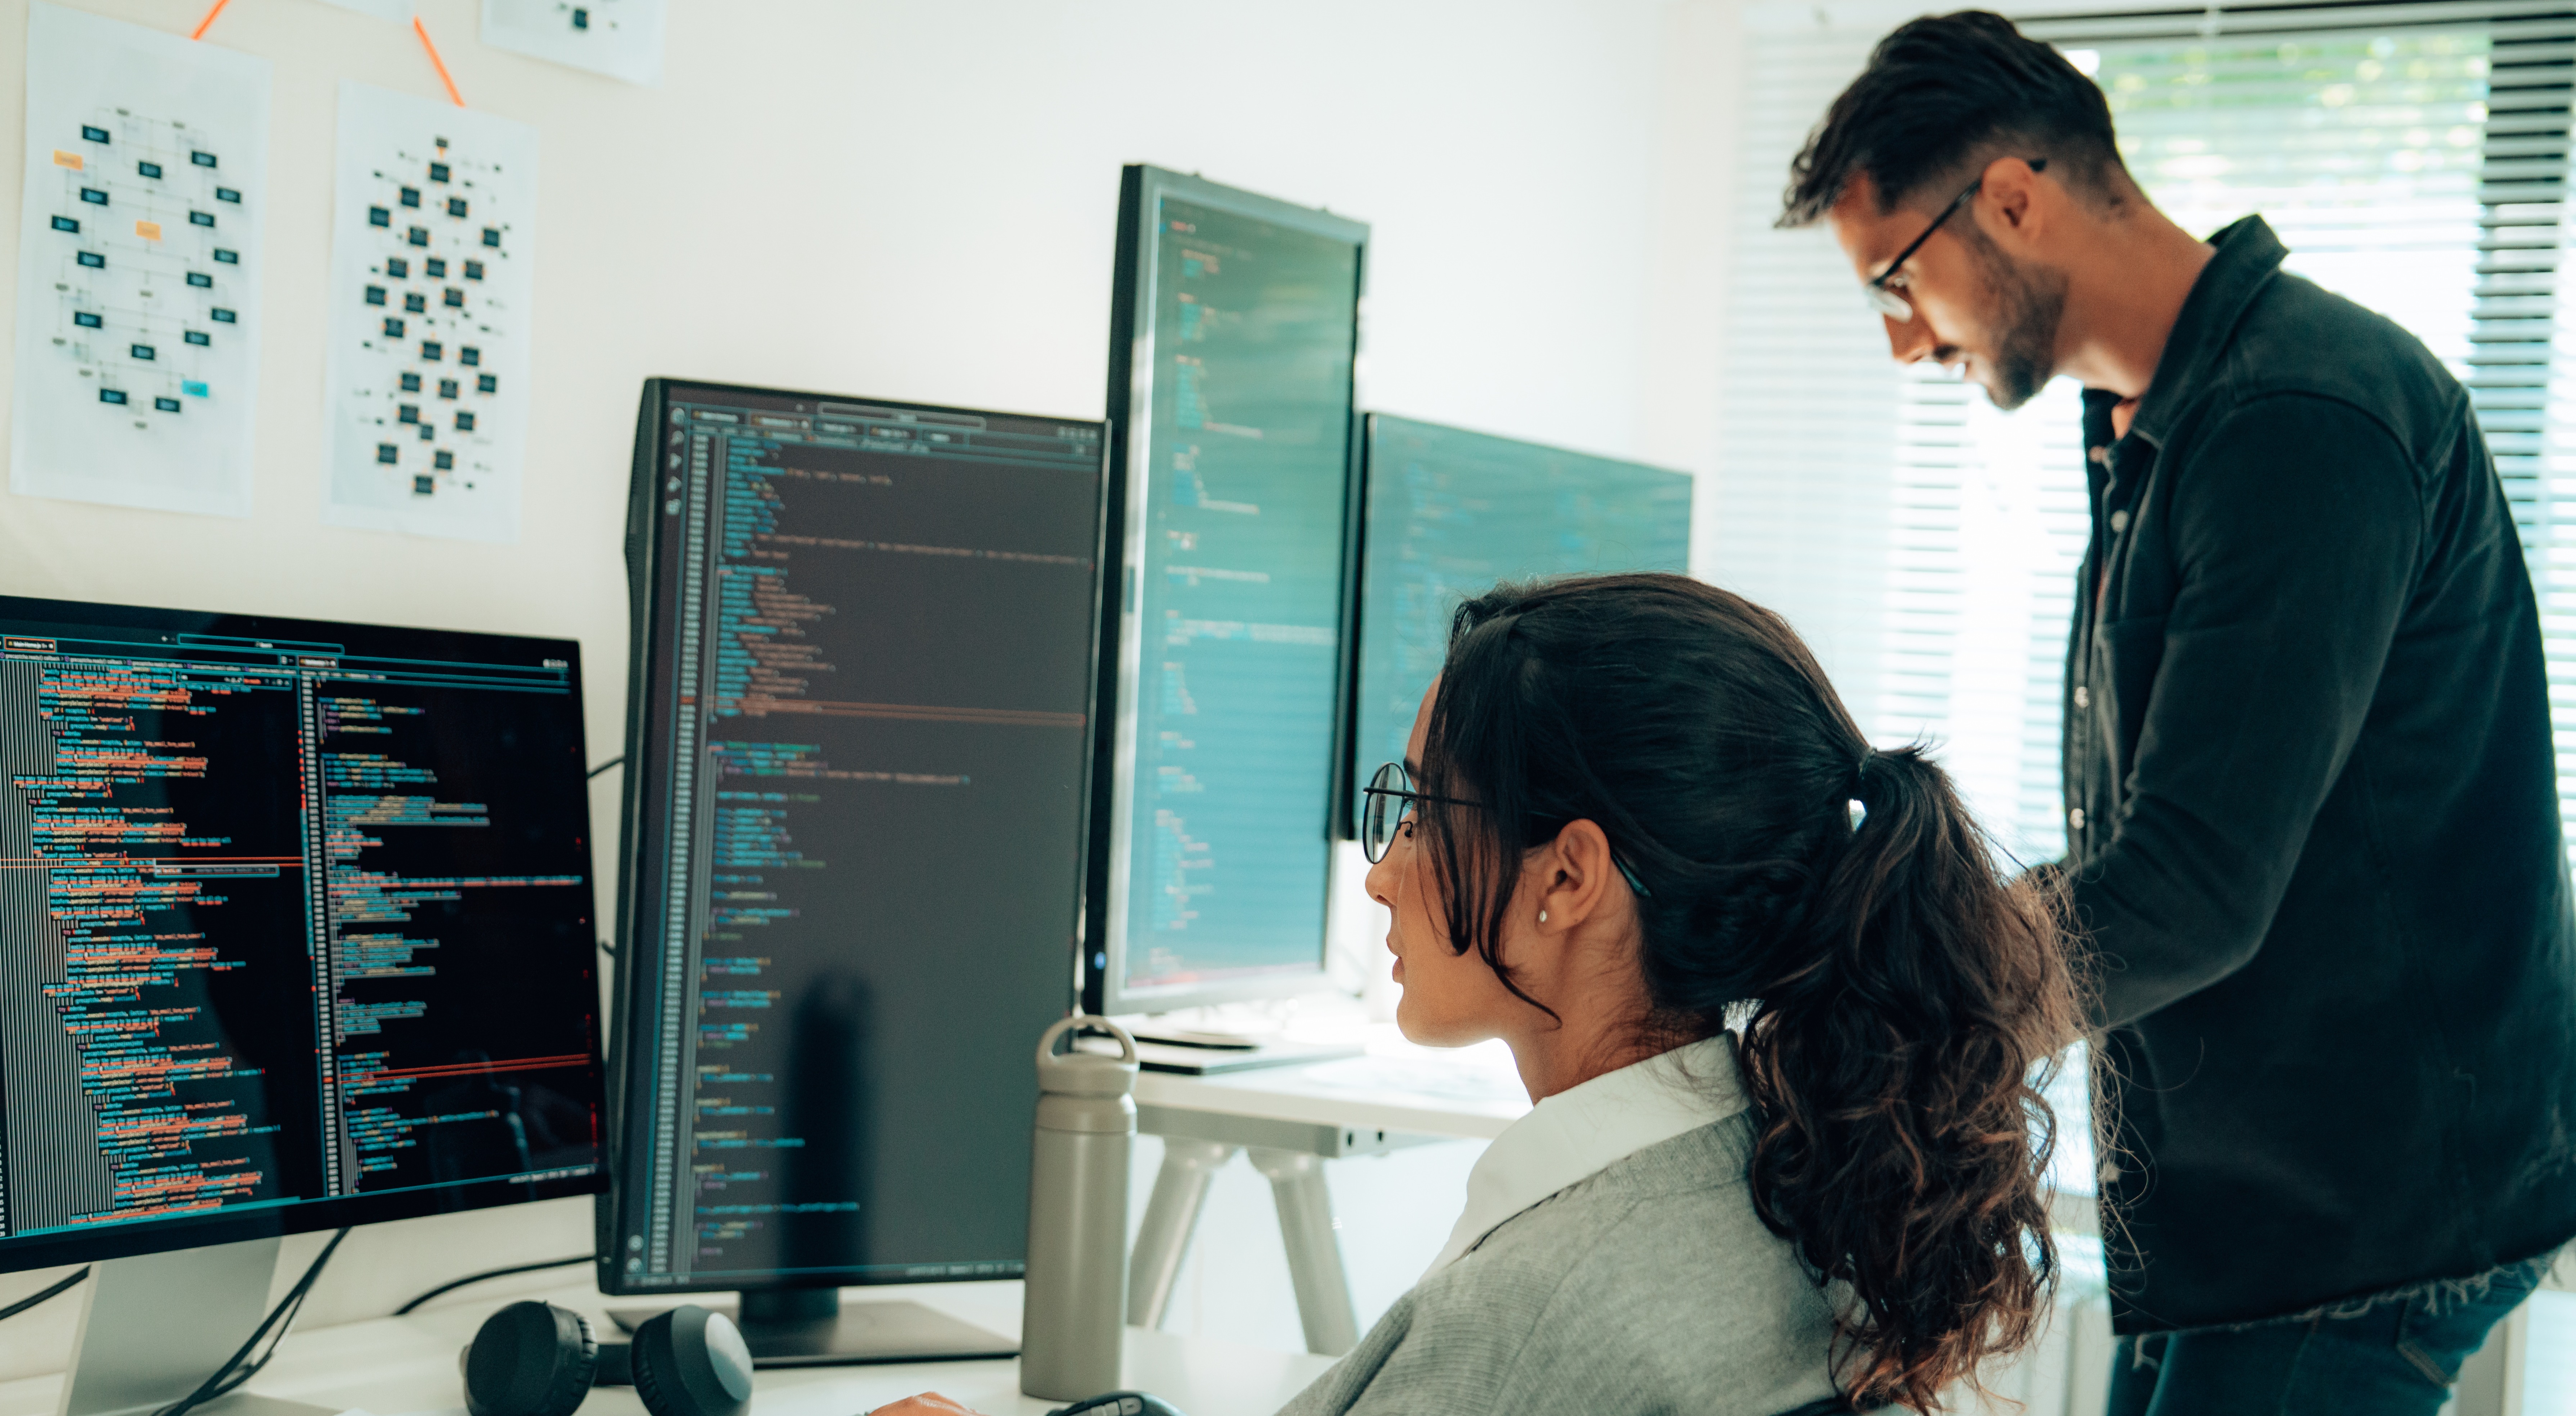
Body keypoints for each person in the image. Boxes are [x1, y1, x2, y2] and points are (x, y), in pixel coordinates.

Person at [1776, 12, 2576, 1412]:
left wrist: (1900, 1011)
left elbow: (2190, 887)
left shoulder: (2296, 420)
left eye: (1896, 282)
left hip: (2354, 1221)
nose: (1904, 344)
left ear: (2010, 200)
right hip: (2260, 1212)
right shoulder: (2169, 426)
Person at [881, 572, 2085, 1414]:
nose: (1384, 877)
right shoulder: (1785, 1188)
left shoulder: (1543, 1307)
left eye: (1421, 814)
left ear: (1567, 876)